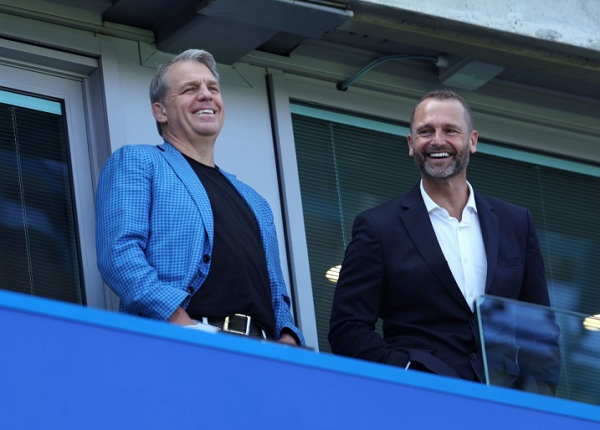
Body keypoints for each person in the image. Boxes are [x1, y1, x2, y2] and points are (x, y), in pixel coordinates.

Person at [328, 89, 559, 391]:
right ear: (411, 144)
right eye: (425, 131)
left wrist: (536, 397)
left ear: (472, 141)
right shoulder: (378, 227)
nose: (437, 140)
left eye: (450, 130)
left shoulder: (516, 223)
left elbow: (539, 328)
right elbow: (347, 326)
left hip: (501, 402)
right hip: (418, 399)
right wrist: (407, 372)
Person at [96, 49, 304, 346]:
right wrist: (180, 323)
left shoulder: (256, 201)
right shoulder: (140, 161)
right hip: (181, 343)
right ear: (160, 111)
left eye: (213, 88)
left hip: (262, 352)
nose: (206, 95)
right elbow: (120, 254)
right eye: (190, 89)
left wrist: (289, 337)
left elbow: (275, 289)